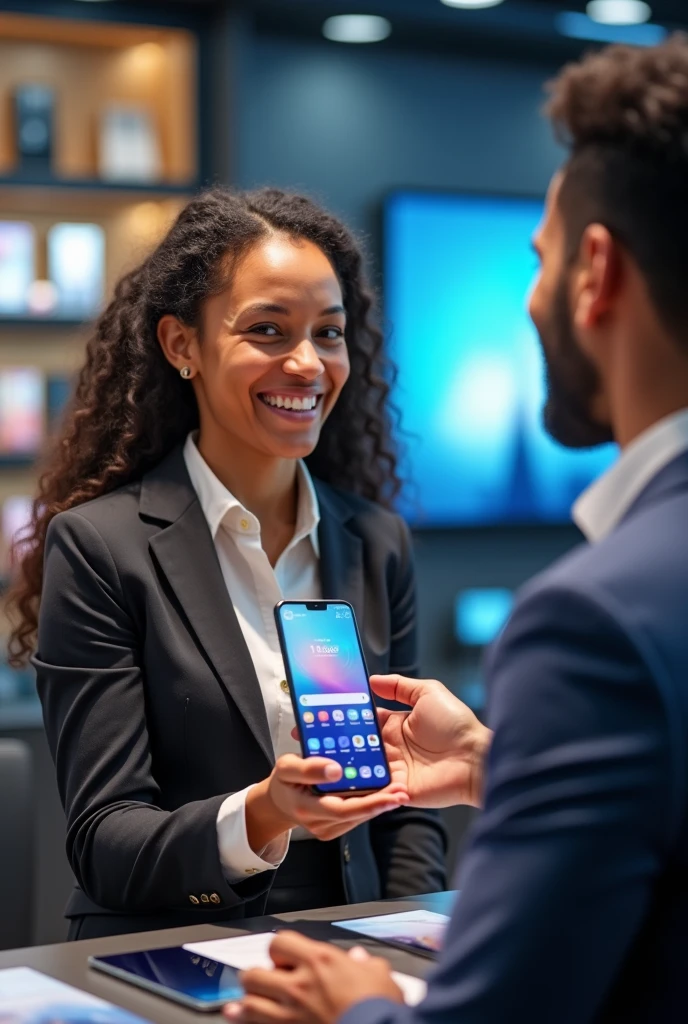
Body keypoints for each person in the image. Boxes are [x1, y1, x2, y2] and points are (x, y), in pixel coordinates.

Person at [227, 36, 688, 1024]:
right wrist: (490, 760)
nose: (529, 296)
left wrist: (355, 1008)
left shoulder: (595, 620)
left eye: (540, 258)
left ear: (594, 272)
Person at [6, 188, 447, 940]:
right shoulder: (102, 547)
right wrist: (264, 812)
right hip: (172, 946)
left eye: (329, 334)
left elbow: (410, 814)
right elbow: (105, 841)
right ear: (182, 345)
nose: (307, 364)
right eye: (268, 330)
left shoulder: (378, 542)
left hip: (356, 947)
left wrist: (406, 940)